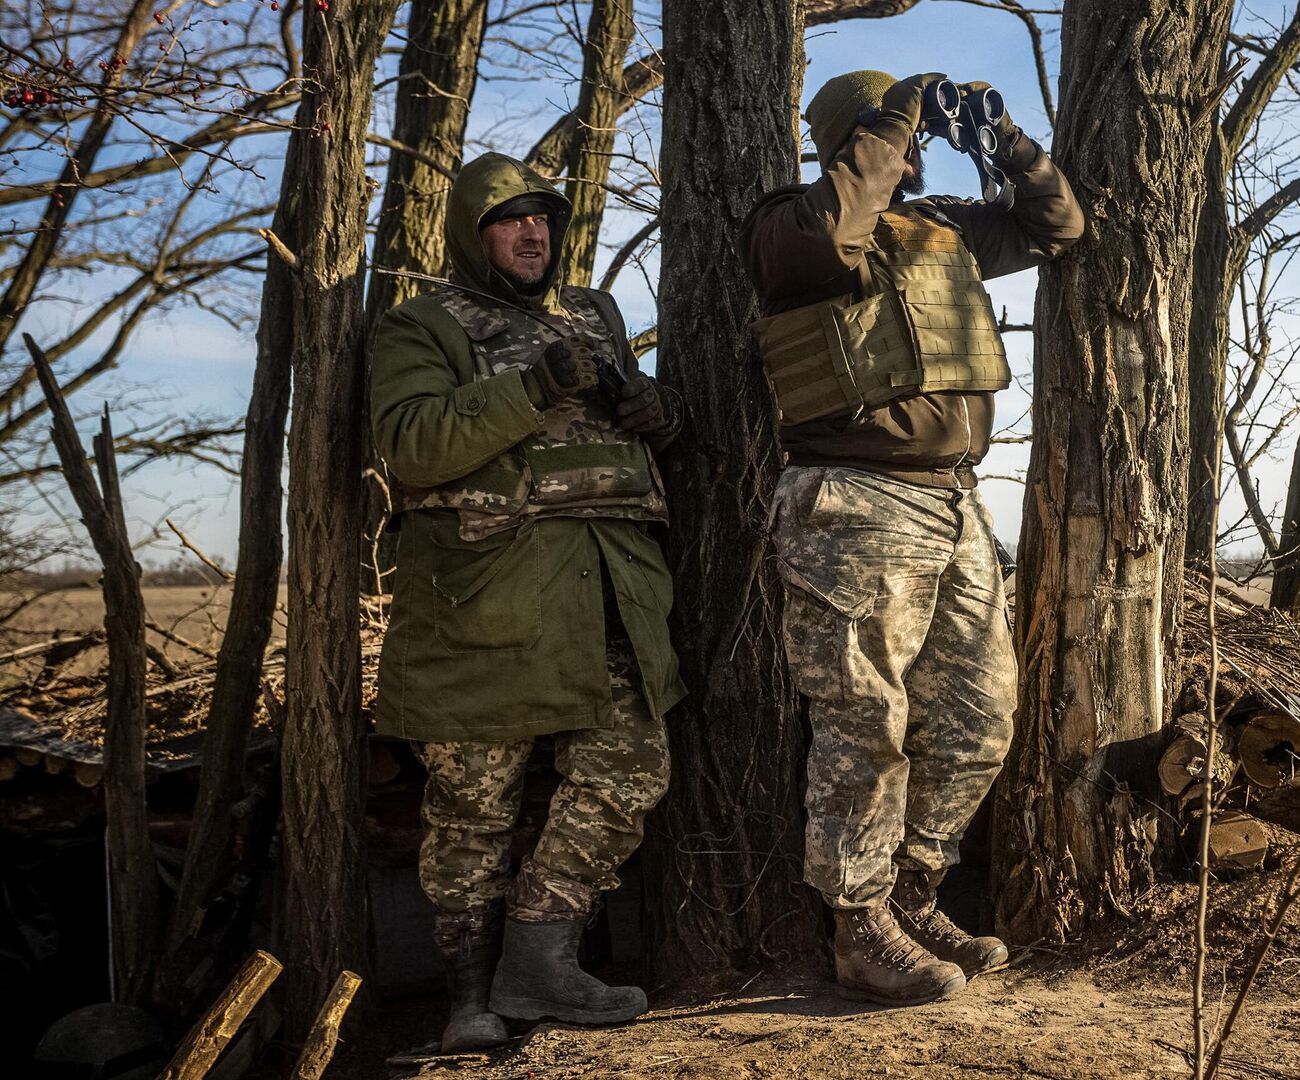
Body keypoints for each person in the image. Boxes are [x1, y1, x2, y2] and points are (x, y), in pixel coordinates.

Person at [737, 70, 1084, 1004]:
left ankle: (916, 892)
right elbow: (831, 225)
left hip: (953, 502)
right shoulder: (792, 225)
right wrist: (896, 111)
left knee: (981, 713)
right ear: (853, 139)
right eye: (894, 131)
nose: (915, 141)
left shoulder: (942, 228)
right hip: (853, 498)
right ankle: (859, 928)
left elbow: (1058, 228)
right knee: (864, 723)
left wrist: (1006, 140)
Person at [368, 151, 687, 1050]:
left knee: (631, 769)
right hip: (484, 598)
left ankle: (538, 959)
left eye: (542, 216)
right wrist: (533, 386)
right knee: (473, 807)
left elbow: (634, 427)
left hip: (610, 587)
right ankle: (468, 1000)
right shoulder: (419, 325)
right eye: (509, 219)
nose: (532, 231)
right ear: (473, 235)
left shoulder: (593, 313)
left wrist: (652, 411)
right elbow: (413, 445)